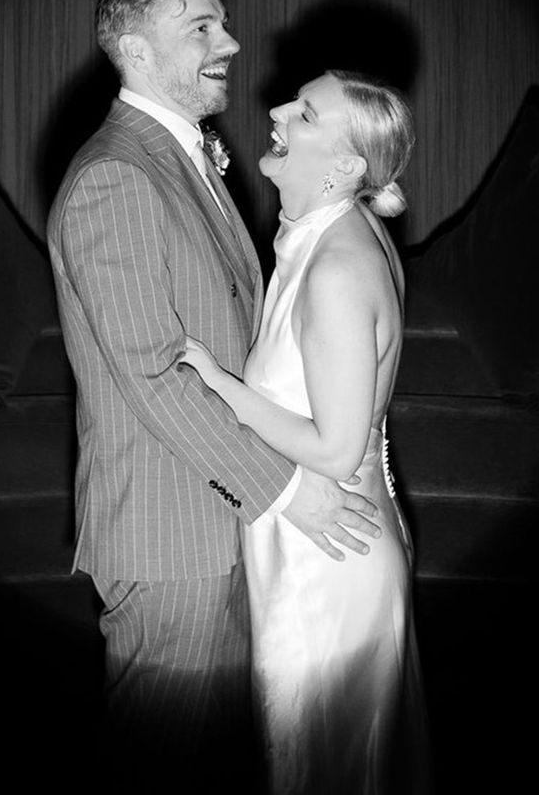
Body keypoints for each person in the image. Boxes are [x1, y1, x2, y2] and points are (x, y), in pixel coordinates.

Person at [46, 0, 381, 793]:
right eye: (201, 26)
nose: (229, 40)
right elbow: (155, 376)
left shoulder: (187, 154)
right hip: (172, 537)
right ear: (133, 48)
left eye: (221, 22)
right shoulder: (116, 177)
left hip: (224, 519)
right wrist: (285, 489)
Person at [181, 69, 432, 793]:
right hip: (321, 540)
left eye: (305, 113)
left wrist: (219, 384)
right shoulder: (331, 234)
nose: (278, 111)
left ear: (345, 167)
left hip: (330, 559)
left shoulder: (338, 267)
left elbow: (336, 447)